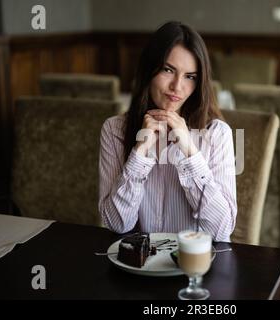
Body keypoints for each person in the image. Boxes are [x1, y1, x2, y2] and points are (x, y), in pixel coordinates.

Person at [98, 21, 237, 242]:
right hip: (140, 268)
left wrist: (191, 153)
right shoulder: (114, 130)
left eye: (190, 76)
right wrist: (139, 153)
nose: (177, 86)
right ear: (148, 71)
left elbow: (221, 231)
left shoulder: (218, 134)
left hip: (195, 267)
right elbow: (116, 223)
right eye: (168, 70)